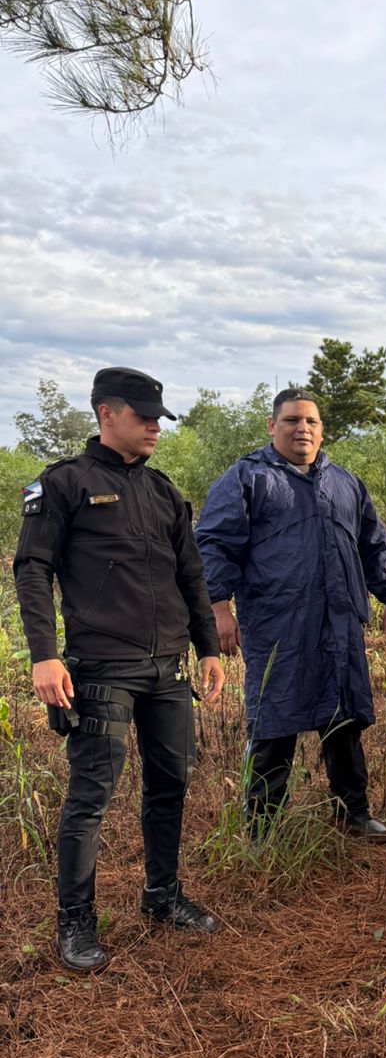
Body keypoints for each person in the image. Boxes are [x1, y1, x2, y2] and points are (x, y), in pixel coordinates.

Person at [12, 367, 226, 974]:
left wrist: (207, 648)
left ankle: (162, 898)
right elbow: (31, 569)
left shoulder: (162, 491)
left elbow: (191, 575)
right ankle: (75, 923)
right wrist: (43, 654)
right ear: (107, 414)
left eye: (159, 416)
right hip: (100, 668)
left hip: (167, 668)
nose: (156, 426)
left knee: (171, 784)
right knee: (91, 796)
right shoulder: (63, 484)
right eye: (144, 416)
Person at [195, 389, 386, 843]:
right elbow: (213, 543)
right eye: (291, 420)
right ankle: (262, 829)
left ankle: (353, 812)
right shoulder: (247, 478)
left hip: (340, 624)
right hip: (278, 627)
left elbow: (373, 544)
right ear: (272, 426)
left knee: (344, 719)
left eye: (310, 421)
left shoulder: (344, 482)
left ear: (321, 428)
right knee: (273, 723)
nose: (302, 429)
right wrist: (218, 607)